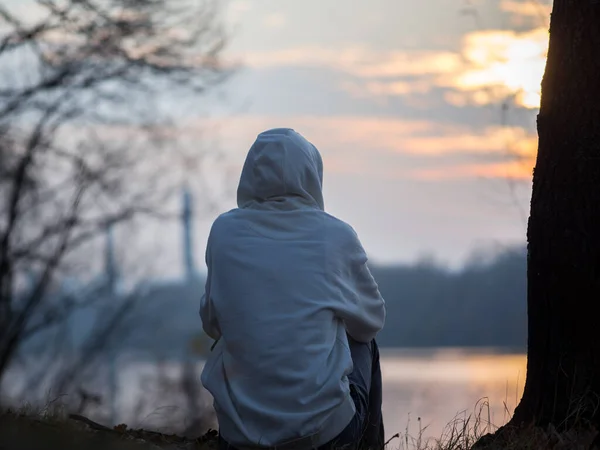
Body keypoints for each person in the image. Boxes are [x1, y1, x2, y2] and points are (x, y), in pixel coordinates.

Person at [200, 128, 386, 450]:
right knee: (360, 341)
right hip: (325, 437)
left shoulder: (224, 232)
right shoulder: (335, 235)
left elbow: (212, 324)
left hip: (240, 440)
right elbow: (371, 322)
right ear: (312, 174)